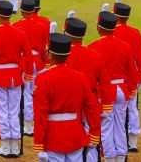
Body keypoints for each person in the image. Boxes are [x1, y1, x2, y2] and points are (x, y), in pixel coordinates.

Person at [32, 32, 100, 162]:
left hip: (53, 136)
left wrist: (39, 143)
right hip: (75, 133)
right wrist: (94, 133)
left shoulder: (43, 78)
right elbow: (92, 107)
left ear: (50, 54)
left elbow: (40, 113)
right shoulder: (80, 77)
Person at [87, 9, 139, 162]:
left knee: (106, 127)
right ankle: (121, 157)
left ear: (99, 27)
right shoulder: (124, 46)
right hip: (122, 89)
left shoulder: (93, 47)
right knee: (120, 125)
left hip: (105, 92)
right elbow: (132, 72)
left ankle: (110, 157)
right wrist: (131, 89)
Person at [64, 15, 111, 162]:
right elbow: (105, 83)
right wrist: (106, 106)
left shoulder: (62, 56)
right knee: (92, 140)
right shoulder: (94, 55)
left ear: (66, 33)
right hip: (90, 103)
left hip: (69, 104)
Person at [0, 0, 31, 158]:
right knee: (14, 112)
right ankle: (14, 146)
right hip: (15, 76)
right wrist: (27, 74)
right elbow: (28, 55)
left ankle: (6, 147)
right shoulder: (20, 33)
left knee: (2, 112)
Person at [113, 0, 141, 152]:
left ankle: (119, 139)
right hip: (133, 75)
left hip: (118, 76)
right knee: (132, 108)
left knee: (116, 111)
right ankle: (133, 142)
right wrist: (140, 74)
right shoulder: (135, 32)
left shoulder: (113, 34)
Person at [13, 0, 49, 137]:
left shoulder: (17, 26)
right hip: (38, 61)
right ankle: (34, 122)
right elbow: (44, 47)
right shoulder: (42, 25)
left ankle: (28, 125)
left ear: (22, 11)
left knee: (27, 94)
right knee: (36, 93)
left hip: (24, 62)